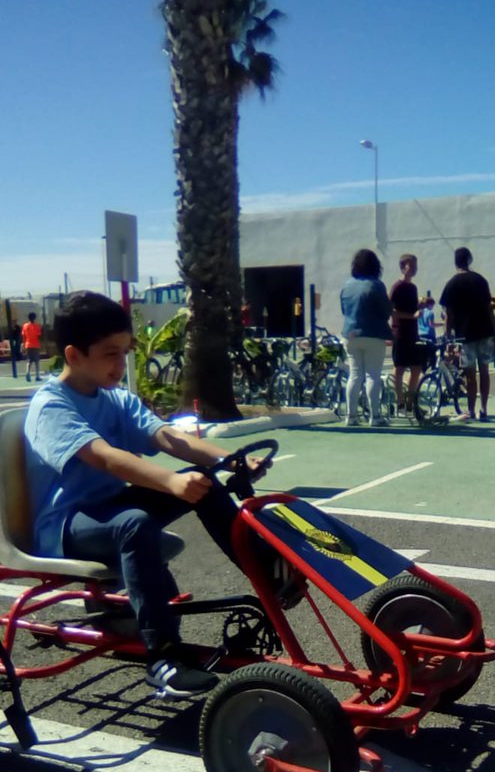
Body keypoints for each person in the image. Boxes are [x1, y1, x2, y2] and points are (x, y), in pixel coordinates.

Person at [24, 291, 301, 698]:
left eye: (125, 353)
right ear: (74, 355)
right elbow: (105, 457)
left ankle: (267, 574)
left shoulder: (113, 398)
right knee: (134, 525)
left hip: (109, 511)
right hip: (66, 527)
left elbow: (167, 436)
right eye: (110, 354)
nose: (121, 365)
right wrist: (170, 483)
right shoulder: (52, 406)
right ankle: (163, 658)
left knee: (204, 483)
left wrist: (228, 461)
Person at [440, 247, 495, 421]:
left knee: (471, 375)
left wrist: (447, 335)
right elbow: (489, 308)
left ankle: (471, 410)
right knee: (485, 371)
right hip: (485, 331)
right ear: (469, 260)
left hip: (465, 335)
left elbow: (448, 315)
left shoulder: (451, 284)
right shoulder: (480, 281)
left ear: (456, 262)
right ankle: (484, 409)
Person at [339, 248, 391, 427]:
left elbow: (344, 310)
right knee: (372, 376)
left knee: (354, 375)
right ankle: (374, 416)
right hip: (373, 334)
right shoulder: (376, 285)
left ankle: (351, 416)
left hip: (350, 333)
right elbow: (386, 310)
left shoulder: (347, 285)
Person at [389, 254, 425, 416]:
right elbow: (391, 310)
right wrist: (411, 316)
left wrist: (420, 305)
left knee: (417, 368)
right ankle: (400, 401)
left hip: (413, 333)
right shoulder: (397, 287)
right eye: (411, 266)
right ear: (403, 267)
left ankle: (411, 402)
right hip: (400, 333)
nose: (414, 269)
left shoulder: (413, 288)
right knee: (399, 369)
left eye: (416, 266)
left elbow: (412, 309)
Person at [417, 296, 438, 370]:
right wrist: (442, 324)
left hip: (420, 335)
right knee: (433, 354)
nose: (432, 307)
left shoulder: (419, 312)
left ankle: (423, 371)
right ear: (429, 304)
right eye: (432, 305)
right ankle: (433, 370)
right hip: (429, 335)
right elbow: (431, 324)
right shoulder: (430, 313)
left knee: (423, 356)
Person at [21, 312, 43, 383]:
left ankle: (27, 373)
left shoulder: (25, 326)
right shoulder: (37, 326)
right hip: (35, 345)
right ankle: (37, 376)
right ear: (34, 318)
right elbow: (39, 336)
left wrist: (24, 344)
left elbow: (23, 336)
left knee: (29, 360)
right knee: (36, 361)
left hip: (28, 344)